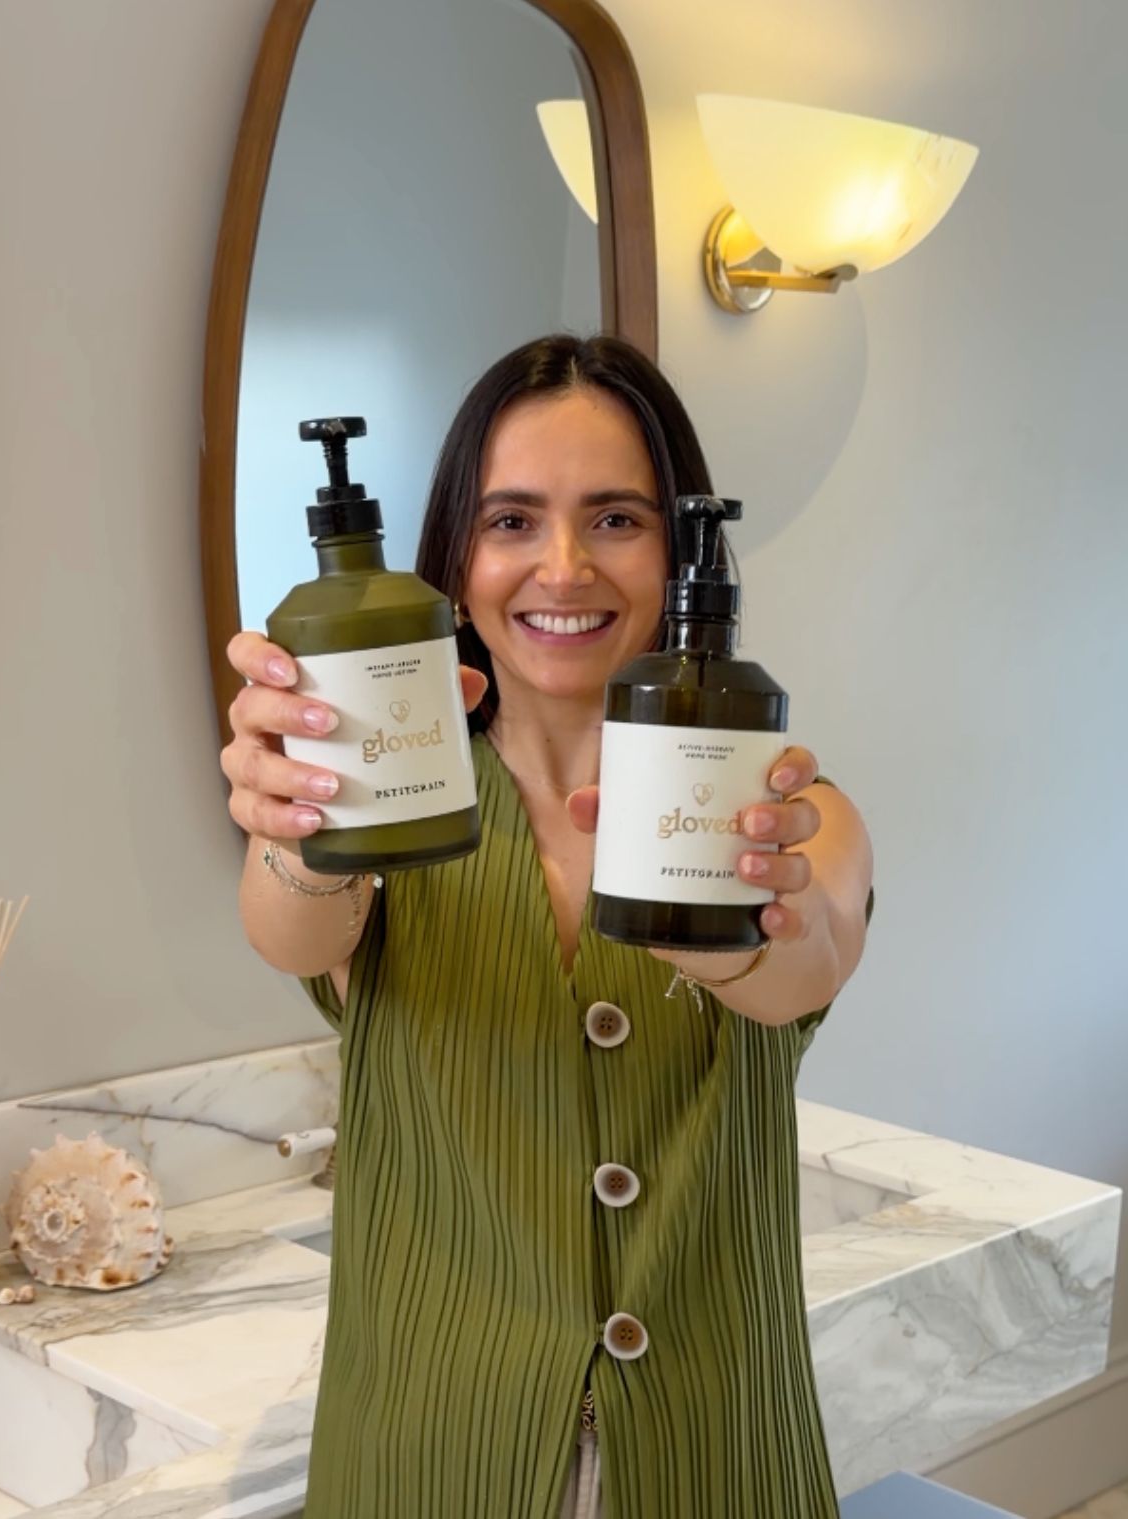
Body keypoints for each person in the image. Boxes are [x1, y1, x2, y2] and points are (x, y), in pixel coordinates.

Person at [222, 334, 875, 1519]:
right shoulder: (390, 802)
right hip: (428, 1448)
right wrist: (294, 819)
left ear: (679, 552)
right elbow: (294, 934)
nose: (563, 567)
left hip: (714, 1453)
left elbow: (804, 960)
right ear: (455, 557)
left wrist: (736, 931)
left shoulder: (784, 810)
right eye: (512, 520)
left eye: (616, 519)